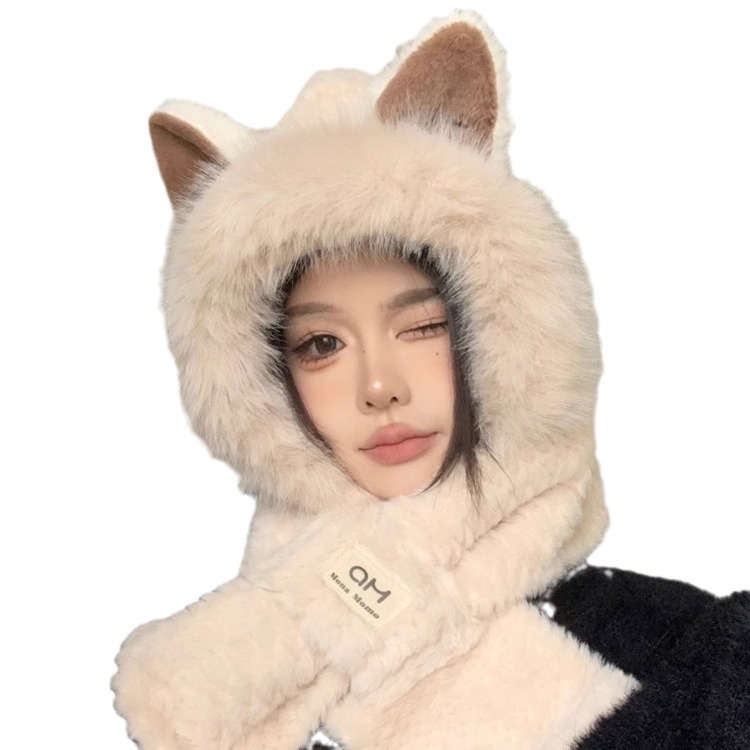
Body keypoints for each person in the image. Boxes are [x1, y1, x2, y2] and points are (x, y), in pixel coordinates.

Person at [111, 10, 749, 750]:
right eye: (322, 344)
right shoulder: (238, 706)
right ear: (263, 381)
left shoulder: (692, 651)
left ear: (507, 334)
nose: (379, 387)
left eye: (422, 327)